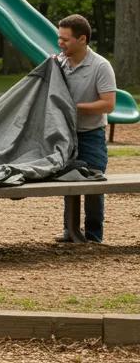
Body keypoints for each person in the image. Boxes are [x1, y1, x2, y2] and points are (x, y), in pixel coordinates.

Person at [55, 14, 116, 244]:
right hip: (65, 134)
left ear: (82, 39)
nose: (60, 43)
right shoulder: (57, 63)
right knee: (67, 183)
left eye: (65, 39)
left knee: (93, 185)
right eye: (59, 38)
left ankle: (93, 237)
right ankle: (70, 232)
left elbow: (108, 104)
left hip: (91, 134)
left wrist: (74, 108)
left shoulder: (101, 66)